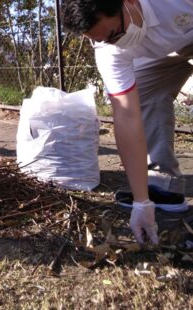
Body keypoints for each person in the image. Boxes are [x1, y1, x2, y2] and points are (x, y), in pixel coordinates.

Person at [61, 0, 193, 244]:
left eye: (115, 34)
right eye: (104, 41)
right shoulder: (109, 48)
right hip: (170, 48)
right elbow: (126, 115)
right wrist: (141, 203)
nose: (115, 45)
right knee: (141, 93)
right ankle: (163, 184)